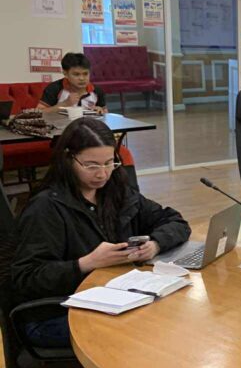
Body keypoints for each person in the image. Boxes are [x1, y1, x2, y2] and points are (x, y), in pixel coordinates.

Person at [10, 118, 190, 347]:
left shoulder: (116, 191)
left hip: (114, 296)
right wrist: (86, 263)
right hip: (56, 311)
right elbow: (26, 279)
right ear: (68, 159)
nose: (102, 174)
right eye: (91, 165)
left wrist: (155, 244)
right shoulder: (45, 207)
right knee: (146, 330)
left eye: (109, 163)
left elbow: (175, 221)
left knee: (175, 310)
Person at [37, 52, 108, 114]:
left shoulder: (97, 90)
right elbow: (40, 112)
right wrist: (64, 104)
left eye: (85, 74)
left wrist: (100, 110)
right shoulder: (54, 88)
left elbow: (105, 112)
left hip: (89, 124)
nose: (82, 78)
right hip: (60, 125)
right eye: (76, 74)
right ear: (65, 74)